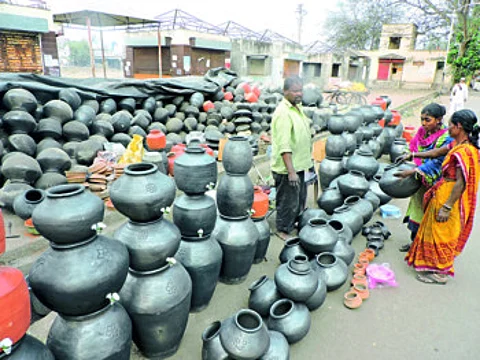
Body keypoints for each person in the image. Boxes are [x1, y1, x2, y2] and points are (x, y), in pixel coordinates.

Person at [397, 109, 479, 284]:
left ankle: (442, 273)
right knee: (435, 230)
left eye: (450, 125)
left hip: (451, 196)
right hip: (442, 192)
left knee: (443, 233)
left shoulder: (464, 151)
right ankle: (431, 265)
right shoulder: (456, 144)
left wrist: (447, 206)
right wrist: (412, 155)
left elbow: (461, 183)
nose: (447, 128)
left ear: (458, 127)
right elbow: (436, 153)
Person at [397, 103, 453, 252]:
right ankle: (414, 243)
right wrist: (406, 155)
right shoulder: (422, 132)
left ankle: (422, 249)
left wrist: (415, 170)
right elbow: (413, 148)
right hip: (418, 178)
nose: (423, 123)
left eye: (427, 120)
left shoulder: (446, 137)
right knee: (416, 211)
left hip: (433, 182)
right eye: (422, 119)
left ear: (439, 119)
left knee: (427, 216)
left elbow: (438, 162)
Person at [271, 75, 313, 240]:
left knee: (298, 199)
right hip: (288, 168)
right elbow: (284, 145)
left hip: (301, 164)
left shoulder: (297, 108)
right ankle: (282, 230)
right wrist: (291, 171)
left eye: (300, 90)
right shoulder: (283, 113)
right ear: (285, 91)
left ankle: (292, 223)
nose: (299, 94)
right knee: (287, 201)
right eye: (295, 91)